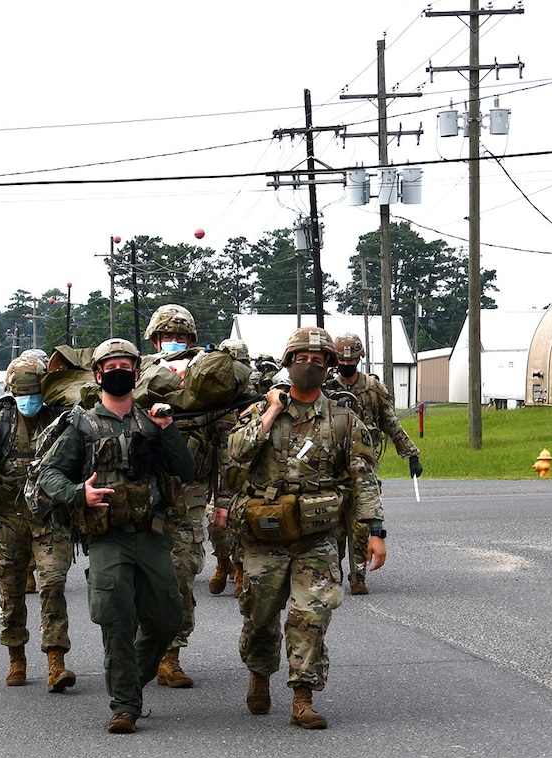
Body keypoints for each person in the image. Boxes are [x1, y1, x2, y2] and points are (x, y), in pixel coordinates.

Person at [219, 327, 385, 730]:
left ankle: (302, 695)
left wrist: (375, 531)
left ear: (328, 366)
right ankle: (260, 673)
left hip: (317, 534)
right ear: (287, 361)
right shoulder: (261, 411)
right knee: (259, 614)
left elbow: (364, 478)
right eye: (301, 358)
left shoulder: (344, 419)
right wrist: (272, 410)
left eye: (317, 360)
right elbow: (235, 455)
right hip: (263, 533)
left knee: (311, 613)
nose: (308, 366)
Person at [37, 337, 195, 734]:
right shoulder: (82, 425)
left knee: (166, 618)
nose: (119, 372)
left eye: (126, 366)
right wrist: (80, 494)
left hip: (153, 534)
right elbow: (50, 474)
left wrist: (167, 429)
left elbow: (186, 470)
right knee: (115, 618)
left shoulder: (151, 420)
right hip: (108, 538)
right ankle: (124, 704)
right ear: (98, 375)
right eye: (111, 368)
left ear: (137, 373)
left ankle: (130, 683)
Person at [0, 352, 76, 692]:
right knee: (11, 590)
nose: (30, 400)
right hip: (7, 521)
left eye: (35, 392)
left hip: (48, 520)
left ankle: (56, 660)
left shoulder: (60, 421)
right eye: (23, 393)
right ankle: (16, 656)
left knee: (53, 584)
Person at [143, 303, 211, 690]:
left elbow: (224, 444)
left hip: (189, 499)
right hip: (142, 499)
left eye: (182, 338)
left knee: (182, 576)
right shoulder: (138, 377)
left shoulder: (205, 383)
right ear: (154, 340)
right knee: (142, 580)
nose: (175, 343)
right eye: (169, 337)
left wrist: (226, 504)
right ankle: (144, 648)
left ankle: (171, 655)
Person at [324, 331, 422, 595]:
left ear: (359, 359)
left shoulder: (373, 389)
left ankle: (358, 577)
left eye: (351, 359)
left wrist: (411, 454)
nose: (347, 364)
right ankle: (334, 573)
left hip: (364, 465)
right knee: (333, 524)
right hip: (332, 466)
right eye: (342, 360)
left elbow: (390, 423)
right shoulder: (327, 390)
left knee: (362, 522)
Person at [207, 338, 252, 599]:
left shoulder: (256, 396)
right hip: (219, 474)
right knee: (217, 523)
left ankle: (240, 567)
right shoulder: (212, 396)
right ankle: (223, 561)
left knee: (247, 522)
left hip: (248, 473)